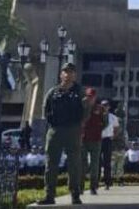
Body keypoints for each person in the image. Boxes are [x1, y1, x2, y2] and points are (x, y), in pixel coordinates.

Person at [37, 63, 88, 206]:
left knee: (74, 164)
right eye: (65, 72)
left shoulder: (80, 92)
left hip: (73, 129)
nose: (68, 74)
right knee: (51, 163)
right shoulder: (53, 92)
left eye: (71, 72)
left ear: (75, 75)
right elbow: (45, 109)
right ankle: (49, 195)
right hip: (55, 130)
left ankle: (75, 194)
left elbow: (86, 112)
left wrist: (80, 125)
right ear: (61, 74)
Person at [80, 88, 106, 195]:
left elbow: (105, 122)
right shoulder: (81, 107)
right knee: (82, 164)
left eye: (92, 96)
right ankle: (80, 187)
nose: (90, 98)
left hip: (96, 140)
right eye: (88, 96)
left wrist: (98, 129)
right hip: (83, 139)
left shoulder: (100, 109)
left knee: (95, 165)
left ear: (95, 97)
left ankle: (93, 187)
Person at [100, 100, 119, 190]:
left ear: (109, 107)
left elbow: (116, 128)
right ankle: (96, 181)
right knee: (97, 162)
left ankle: (107, 182)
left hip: (107, 139)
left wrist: (113, 136)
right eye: (103, 105)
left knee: (107, 161)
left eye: (106, 105)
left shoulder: (113, 117)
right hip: (98, 140)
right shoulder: (97, 116)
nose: (104, 107)